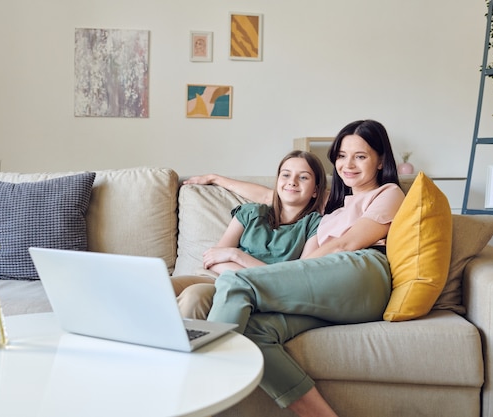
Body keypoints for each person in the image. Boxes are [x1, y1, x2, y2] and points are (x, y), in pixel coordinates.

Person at [184, 119, 405, 416]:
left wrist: (288, 272)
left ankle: (193, 389)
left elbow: (346, 245)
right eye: (341, 156)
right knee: (251, 332)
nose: (348, 164)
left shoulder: (388, 193)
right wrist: (217, 179)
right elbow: (269, 195)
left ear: (380, 161)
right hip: (334, 291)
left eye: (360, 156)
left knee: (236, 283)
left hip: (362, 273)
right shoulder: (335, 203)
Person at [172, 150, 327, 319]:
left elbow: (293, 279)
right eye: (286, 175)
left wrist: (236, 255)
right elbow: (212, 260)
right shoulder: (251, 212)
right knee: (156, 285)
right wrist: (254, 270)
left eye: (303, 177)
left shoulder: (315, 225)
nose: (292, 182)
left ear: (315, 191)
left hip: (242, 288)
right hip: (213, 276)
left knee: (194, 296)